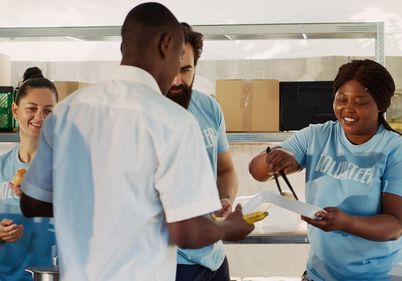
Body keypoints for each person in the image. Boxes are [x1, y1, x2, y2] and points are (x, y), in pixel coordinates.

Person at [19, 3, 254, 281]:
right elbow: (188, 233)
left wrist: (98, 203)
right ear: (166, 45)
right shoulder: (173, 121)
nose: (176, 76)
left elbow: (31, 203)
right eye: (178, 58)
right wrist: (230, 228)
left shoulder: (68, 111)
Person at [249, 59, 402, 281]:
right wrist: (275, 159)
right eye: (341, 99)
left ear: (380, 105)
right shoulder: (317, 136)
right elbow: (256, 171)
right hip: (319, 275)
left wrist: (345, 222)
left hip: (379, 277)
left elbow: (395, 225)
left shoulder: (398, 153)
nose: (348, 109)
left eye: (360, 102)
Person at [165, 23, 238, 281]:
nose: (177, 80)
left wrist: (226, 199)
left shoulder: (209, 108)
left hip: (214, 258)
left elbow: (226, 168)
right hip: (171, 263)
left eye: (186, 70)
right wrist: (231, 228)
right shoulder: (141, 118)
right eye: (172, 70)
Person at [0, 67, 58, 281]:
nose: (39, 117)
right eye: (31, 108)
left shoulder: (67, 170)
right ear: (15, 111)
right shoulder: (1, 167)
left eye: (48, 110)